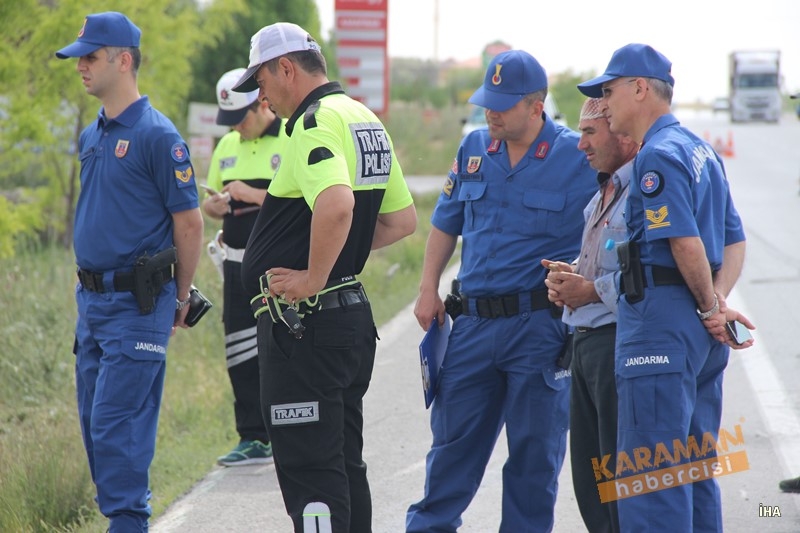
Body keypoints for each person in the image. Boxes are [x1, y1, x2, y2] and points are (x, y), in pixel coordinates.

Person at [231, 22, 417, 532]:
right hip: (346, 320)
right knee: (342, 466)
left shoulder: (312, 122)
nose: (262, 97)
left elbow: (336, 206)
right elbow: (400, 221)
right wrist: (335, 257)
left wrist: (313, 277)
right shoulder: (363, 117)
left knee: (312, 476)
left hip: (305, 328)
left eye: (262, 82)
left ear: (285, 69)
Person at [406, 49, 597, 533]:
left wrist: (587, 279)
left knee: (535, 456)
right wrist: (427, 289)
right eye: (486, 102)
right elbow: (445, 224)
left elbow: (611, 224)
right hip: (471, 326)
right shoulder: (474, 148)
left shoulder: (577, 156)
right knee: (451, 449)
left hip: (539, 330)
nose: (490, 112)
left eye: (502, 105)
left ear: (536, 107)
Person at [577, 43, 753, 532]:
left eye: (609, 91)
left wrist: (709, 307)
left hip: (659, 328)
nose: (604, 103)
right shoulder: (701, 150)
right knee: (693, 469)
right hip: (694, 333)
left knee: (652, 479)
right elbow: (734, 241)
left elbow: (683, 242)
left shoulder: (657, 155)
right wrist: (716, 303)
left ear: (639, 89)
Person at [55, 11, 204, 533]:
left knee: (115, 426)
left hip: (138, 306)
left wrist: (180, 299)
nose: (81, 67)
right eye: (79, 59)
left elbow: (189, 223)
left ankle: (128, 522)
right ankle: (125, 516)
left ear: (123, 61)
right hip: (93, 305)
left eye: (90, 57)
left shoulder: (158, 136)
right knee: (95, 425)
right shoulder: (91, 135)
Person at [542, 97, 637, 533]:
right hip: (584, 344)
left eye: (590, 132)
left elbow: (655, 276)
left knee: (621, 484)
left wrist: (589, 290)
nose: (580, 144)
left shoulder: (644, 190)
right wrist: (573, 276)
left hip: (617, 344)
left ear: (622, 133)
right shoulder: (605, 190)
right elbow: (609, 264)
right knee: (590, 481)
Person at [202, 68, 288, 467]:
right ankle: (253, 437)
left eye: (241, 117)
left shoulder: (290, 136)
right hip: (235, 265)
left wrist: (250, 192)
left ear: (262, 103)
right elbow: (211, 203)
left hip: (280, 269)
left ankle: (287, 431)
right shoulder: (227, 145)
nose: (236, 126)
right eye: (230, 120)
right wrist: (213, 205)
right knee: (238, 349)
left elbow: (300, 198)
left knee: (282, 349)